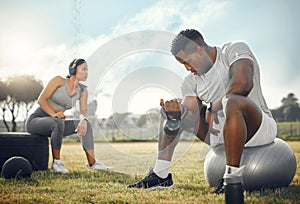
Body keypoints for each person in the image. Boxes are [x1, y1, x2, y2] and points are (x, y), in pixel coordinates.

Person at [127, 29, 277, 203]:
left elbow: (243, 83)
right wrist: (174, 113)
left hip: (257, 129)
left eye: (188, 62)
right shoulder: (191, 81)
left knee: (233, 101)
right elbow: (189, 112)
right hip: (218, 136)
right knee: (172, 109)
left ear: (199, 50)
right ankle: (161, 175)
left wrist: (214, 107)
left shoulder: (232, 50)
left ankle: (232, 179)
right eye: (183, 64)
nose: (187, 68)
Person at [26, 59, 111, 173]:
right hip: (36, 120)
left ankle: (93, 163)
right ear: (73, 69)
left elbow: (83, 110)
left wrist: (83, 120)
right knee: (58, 122)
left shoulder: (83, 90)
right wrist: (54, 114)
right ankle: (57, 164)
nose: (86, 72)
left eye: (87, 70)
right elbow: (41, 100)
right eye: (83, 69)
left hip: (56, 123)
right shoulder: (59, 81)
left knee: (87, 126)